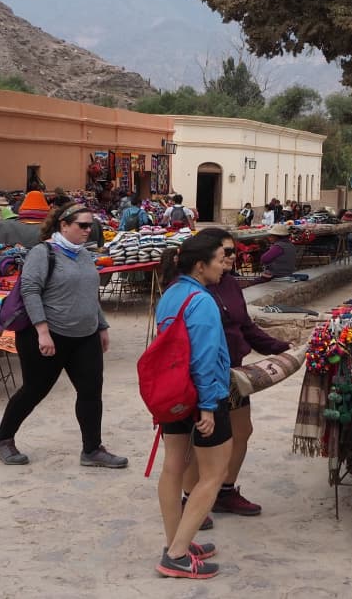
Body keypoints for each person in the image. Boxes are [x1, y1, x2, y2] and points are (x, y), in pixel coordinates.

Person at [0, 202, 127, 469]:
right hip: (47, 335)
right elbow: (30, 291)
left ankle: (92, 449)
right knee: (34, 390)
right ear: (63, 225)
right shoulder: (43, 253)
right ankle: (2, 438)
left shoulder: (84, 255)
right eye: (83, 225)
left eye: (92, 225)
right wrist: (42, 331)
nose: (89, 230)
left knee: (91, 392)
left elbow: (90, 293)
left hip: (85, 336)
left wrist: (102, 325)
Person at [174, 229, 289, 524]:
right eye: (224, 252)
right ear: (205, 258)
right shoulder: (190, 291)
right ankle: (191, 499)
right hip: (203, 375)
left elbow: (245, 327)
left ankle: (224, 491)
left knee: (242, 432)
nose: (230, 258)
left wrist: (281, 348)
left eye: (232, 252)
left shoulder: (231, 285)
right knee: (201, 440)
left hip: (234, 375)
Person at [154, 232, 234, 579]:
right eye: (221, 258)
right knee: (213, 474)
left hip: (173, 393)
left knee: (173, 467)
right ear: (201, 265)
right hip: (202, 395)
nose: (225, 264)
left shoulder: (171, 294)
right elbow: (203, 357)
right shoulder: (201, 302)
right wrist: (206, 405)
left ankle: (177, 542)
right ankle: (175, 555)